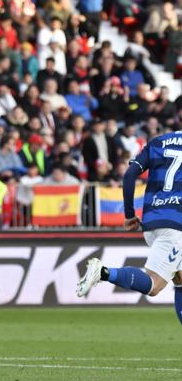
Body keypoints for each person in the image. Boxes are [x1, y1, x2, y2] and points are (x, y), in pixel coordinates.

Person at [77, 132, 182, 324]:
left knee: (180, 280)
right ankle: (103, 272)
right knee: (154, 285)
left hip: (151, 221)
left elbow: (130, 174)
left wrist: (129, 214)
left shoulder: (158, 142)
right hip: (176, 225)